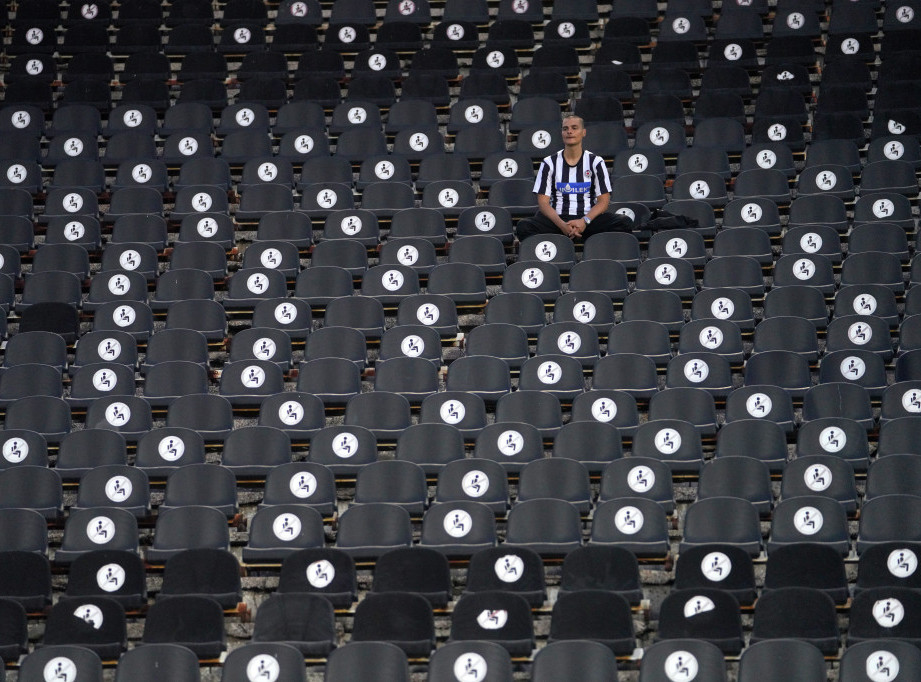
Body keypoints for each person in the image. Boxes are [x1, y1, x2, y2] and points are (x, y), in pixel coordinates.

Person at [515, 114, 632, 241]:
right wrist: (562, 225)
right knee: (524, 226)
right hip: (558, 221)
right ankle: (561, 242)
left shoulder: (596, 162)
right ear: (561, 133)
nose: (569, 131)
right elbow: (543, 203)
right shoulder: (549, 163)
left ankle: (595, 247)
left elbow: (603, 201)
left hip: (589, 220)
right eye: (565, 129)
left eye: (574, 128)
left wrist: (584, 221)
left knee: (624, 222)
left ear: (583, 132)